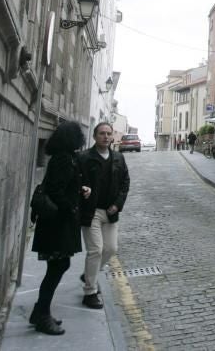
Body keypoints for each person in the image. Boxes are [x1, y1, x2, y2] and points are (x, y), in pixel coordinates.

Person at [30, 121, 91, 335]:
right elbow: (56, 191)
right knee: (57, 267)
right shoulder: (63, 159)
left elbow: (64, 186)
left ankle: (40, 311)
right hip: (57, 223)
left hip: (58, 222)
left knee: (58, 266)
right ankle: (42, 315)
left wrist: (79, 190)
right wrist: (71, 208)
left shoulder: (64, 157)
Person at [79, 122, 130, 309]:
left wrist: (117, 205)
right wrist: (81, 190)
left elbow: (125, 183)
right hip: (91, 211)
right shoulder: (84, 157)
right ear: (95, 136)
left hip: (110, 212)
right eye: (102, 133)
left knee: (110, 249)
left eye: (109, 133)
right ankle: (90, 292)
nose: (106, 137)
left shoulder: (118, 158)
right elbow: (75, 180)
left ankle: (89, 273)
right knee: (96, 250)